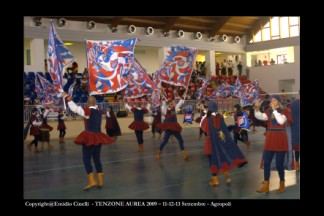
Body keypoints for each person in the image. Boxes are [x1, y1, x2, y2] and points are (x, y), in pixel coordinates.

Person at [62, 92, 115, 190]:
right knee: (97, 158)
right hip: (98, 136)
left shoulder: (87, 111)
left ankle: (92, 181)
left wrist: (67, 98)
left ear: (87, 103)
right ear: (95, 103)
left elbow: (75, 109)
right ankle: (100, 180)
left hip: (89, 136)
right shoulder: (99, 110)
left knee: (86, 159)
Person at [200, 102, 248, 186]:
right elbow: (224, 129)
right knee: (222, 158)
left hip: (210, 142)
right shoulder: (220, 117)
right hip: (220, 140)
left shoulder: (207, 119)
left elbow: (203, 128)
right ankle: (227, 176)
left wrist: (202, 114)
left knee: (212, 161)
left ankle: (215, 180)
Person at [254, 95, 292, 193]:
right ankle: (266, 184)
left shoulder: (285, 111)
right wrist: (257, 108)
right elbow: (260, 117)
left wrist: (274, 110)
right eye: (271, 100)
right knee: (266, 162)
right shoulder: (269, 111)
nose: (271, 101)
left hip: (280, 140)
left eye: (274, 100)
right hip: (270, 140)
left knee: (279, 165)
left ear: (278, 102)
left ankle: (282, 183)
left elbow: (281, 121)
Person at [290, 94, 300, 171]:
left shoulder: (293, 103)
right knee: (297, 146)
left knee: (297, 146)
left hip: (295, 127)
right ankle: (296, 162)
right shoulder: (294, 104)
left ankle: (297, 163)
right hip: (296, 128)